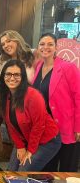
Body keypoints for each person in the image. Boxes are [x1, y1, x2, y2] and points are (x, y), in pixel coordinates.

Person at [0, 59, 61, 172]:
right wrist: (20, 147)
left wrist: (30, 150)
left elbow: (39, 125)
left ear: (23, 77)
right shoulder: (5, 95)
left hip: (46, 140)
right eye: (8, 74)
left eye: (16, 74)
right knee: (10, 172)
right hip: (25, 138)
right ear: (3, 76)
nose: (12, 78)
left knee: (23, 172)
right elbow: (11, 126)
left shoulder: (33, 95)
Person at [32, 33, 80, 172]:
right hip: (47, 128)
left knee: (67, 170)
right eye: (42, 44)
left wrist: (78, 127)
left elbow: (78, 97)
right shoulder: (39, 65)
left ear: (56, 47)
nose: (45, 47)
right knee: (47, 169)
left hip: (66, 126)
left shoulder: (68, 68)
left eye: (50, 44)